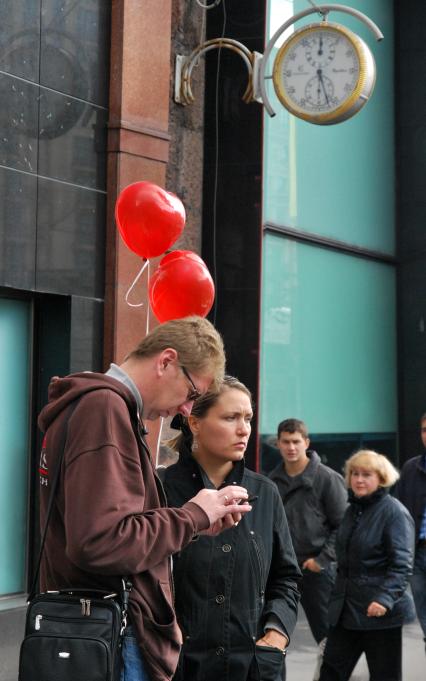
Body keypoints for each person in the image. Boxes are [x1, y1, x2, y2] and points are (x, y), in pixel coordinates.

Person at [37, 316, 253, 681]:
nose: (187, 409)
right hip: (112, 635)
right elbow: (101, 542)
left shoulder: (98, 406)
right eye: (191, 393)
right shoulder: (103, 409)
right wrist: (192, 516)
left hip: (94, 631)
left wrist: (196, 522)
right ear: (166, 361)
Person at [161, 376, 301, 681]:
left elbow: (286, 577)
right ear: (195, 423)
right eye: (230, 417)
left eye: (248, 418)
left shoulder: (265, 492)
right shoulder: (160, 491)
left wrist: (277, 632)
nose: (244, 429)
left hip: (253, 667)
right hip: (180, 668)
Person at [319, 450, 415, 681]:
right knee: (330, 673)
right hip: (346, 610)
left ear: (381, 478)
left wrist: (384, 599)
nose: (359, 480)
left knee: (385, 676)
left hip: (379, 613)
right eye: (355, 473)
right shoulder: (353, 510)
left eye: (367, 474)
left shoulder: (394, 513)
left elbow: (402, 564)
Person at [268, 418, 347, 670]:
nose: (291, 447)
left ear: (306, 443)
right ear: (278, 444)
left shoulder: (328, 479)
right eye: (286, 442)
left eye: (296, 441)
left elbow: (343, 526)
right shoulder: (272, 481)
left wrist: (322, 561)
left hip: (317, 570)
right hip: (283, 571)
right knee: (274, 630)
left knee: (326, 634)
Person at [395, 412, 426, 653]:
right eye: (425, 430)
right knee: (423, 616)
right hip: (418, 553)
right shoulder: (411, 467)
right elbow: (401, 512)